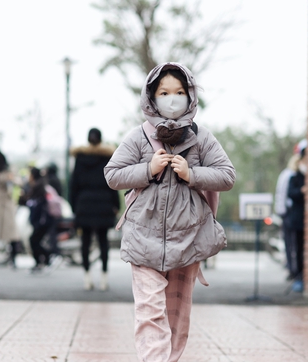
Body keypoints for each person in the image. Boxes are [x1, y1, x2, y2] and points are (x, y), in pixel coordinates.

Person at [104, 62, 235, 361]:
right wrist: (147, 169)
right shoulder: (138, 137)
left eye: (179, 92)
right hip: (143, 240)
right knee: (150, 313)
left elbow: (227, 175)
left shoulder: (202, 138)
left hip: (188, 239)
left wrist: (193, 173)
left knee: (177, 318)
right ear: (152, 96)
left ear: (190, 96)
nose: (172, 99)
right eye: (164, 92)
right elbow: (112, 175)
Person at [69, 128, 119, 291]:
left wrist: (74, 205)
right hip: (104, 202)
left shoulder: (79, 157)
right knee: (103, 241)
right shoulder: (107, 157)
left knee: (85, 241)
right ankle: (104, 278)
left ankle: (87, 277)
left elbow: (73, 184)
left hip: (84, 203)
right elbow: (112, 182)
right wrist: (116, 205)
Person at [275, 151, 301, 281]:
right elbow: (283, 195)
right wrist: (283, 212)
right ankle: (292, 269)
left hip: (286, 212)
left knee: (290, 243)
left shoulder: (287, 174)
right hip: (288, 213)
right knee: (290, 243)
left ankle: (292, 269)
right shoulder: (290, 175)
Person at [22, 167, 54, 273]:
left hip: (42, 221)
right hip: (40, 220)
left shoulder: (38, 188)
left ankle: (42, 260)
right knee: (35, 240)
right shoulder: (38, 186)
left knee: (33, 240)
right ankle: (45, 259)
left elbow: (37, 206)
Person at [285, 146, 307, 292]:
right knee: (298, 249)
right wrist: (301, 191)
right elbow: (290, 194)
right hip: (298, 220)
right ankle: (298, 276)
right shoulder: (295, 177)